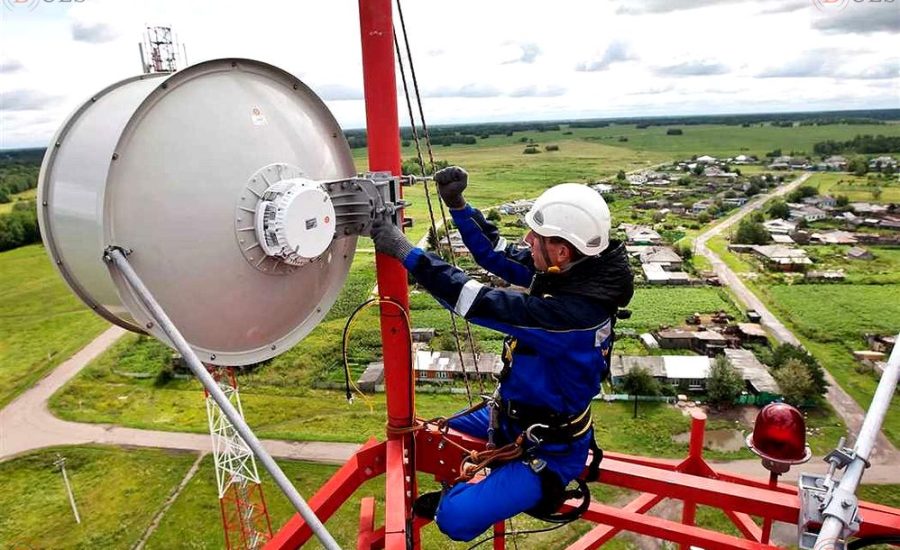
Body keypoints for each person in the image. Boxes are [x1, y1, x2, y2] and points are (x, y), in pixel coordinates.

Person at [369, 166, 633, 542]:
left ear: (561, 249)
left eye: (535, 237)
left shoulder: (574, 317)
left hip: (550, 447)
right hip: (511, 415)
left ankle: (462, 496)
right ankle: (478, 485)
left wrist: (405, 253)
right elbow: (496, 254)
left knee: (455, 520)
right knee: (424, 435)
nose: (527, 240)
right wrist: (460, 206)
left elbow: (476, 301)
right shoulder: (572, 272)